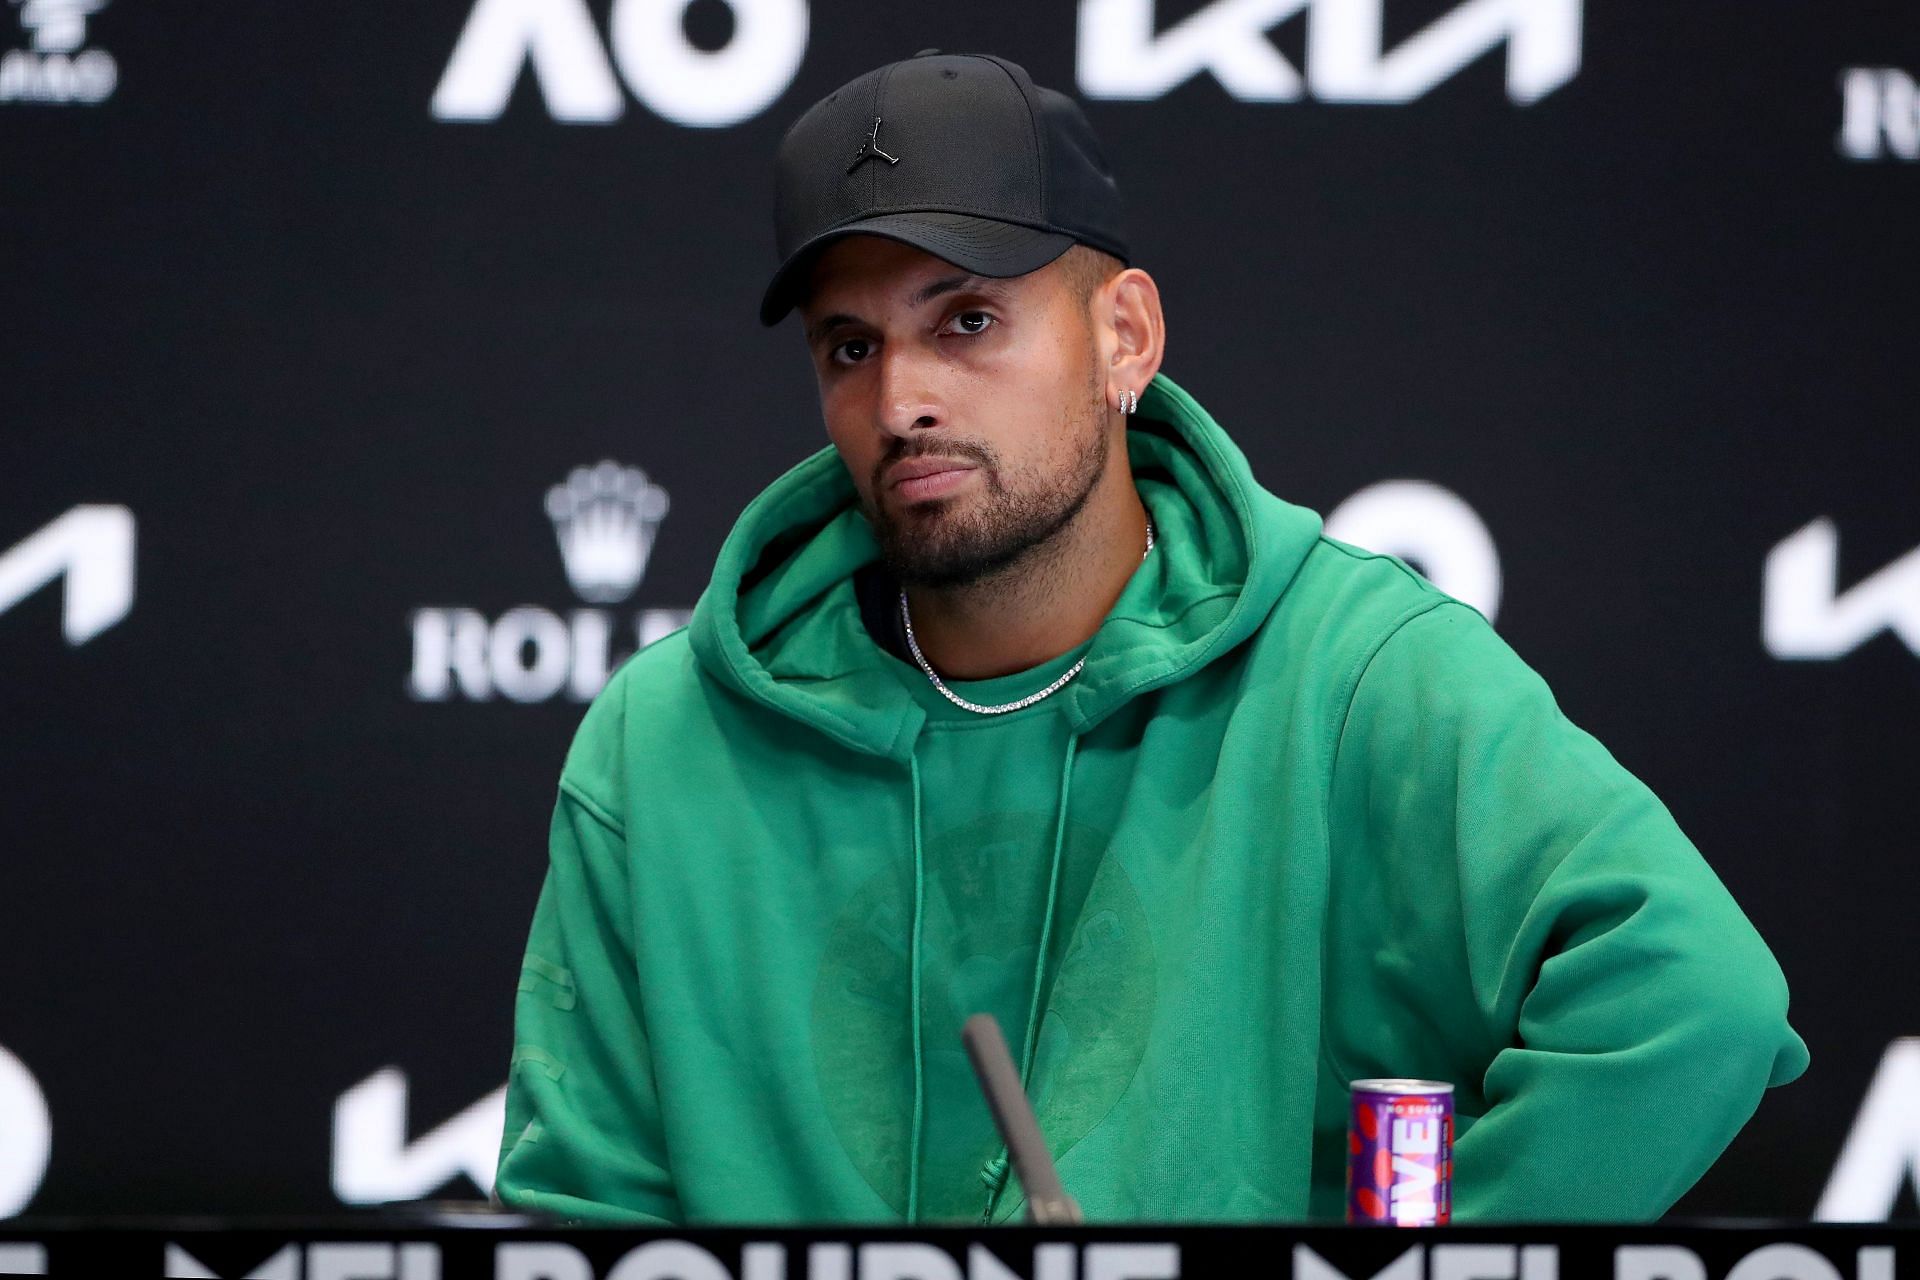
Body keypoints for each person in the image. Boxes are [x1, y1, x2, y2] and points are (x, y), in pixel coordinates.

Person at [493, 51, 1807, 1225]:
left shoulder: (1353, 672)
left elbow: (1692, 1004)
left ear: (1123, 336)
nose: (903, 399)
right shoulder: (662, 747)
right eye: (851, 347)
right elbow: (583, 1215)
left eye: (967, 321)